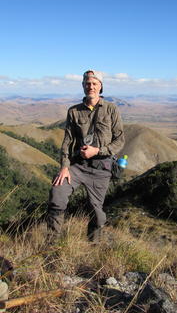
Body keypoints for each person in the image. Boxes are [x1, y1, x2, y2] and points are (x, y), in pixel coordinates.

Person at [46, 70, 125, 242]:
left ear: (101, 86)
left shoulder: (111, 109)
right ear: (83, 85)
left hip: (101, 167)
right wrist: (64, 167)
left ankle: (93, 246)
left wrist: (97, 151)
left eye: (94, 83)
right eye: (87, 83)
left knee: (97, 213)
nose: (91, 86)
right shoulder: (74, 111)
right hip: (78, 166)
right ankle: (51, 245)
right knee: (57, 193)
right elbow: (67, 141)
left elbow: (120, 140)